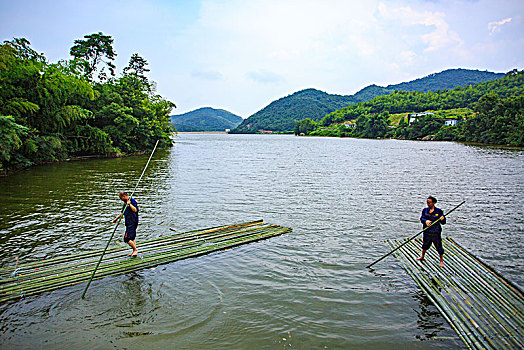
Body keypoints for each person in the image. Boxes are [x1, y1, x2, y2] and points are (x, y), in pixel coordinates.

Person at [417, 196, 446, 267]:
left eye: (429, 202)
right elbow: (422, 218)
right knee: (425, 245)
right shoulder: (425, 210)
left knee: (439, 246)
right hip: (427, 231)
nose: (428, 204)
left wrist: (442, 219)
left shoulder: (439, 211)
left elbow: (443, 222)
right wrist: (425, 221)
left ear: (434, 203)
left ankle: (441, 261)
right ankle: (422, 256)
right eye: (427, 202)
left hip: (436, 232)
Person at [113, 191, 139, 257]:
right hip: (128, 222)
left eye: (120, 198)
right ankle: (134, 252)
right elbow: (122, 212)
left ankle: (135, 249)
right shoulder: (125, 202)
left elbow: (135, 210)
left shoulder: (132, 201)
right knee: (132, 238)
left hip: (132, 222)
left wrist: (130, 204)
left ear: (124, 196)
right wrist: (116, 219)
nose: (120, 199)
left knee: (126, 239)